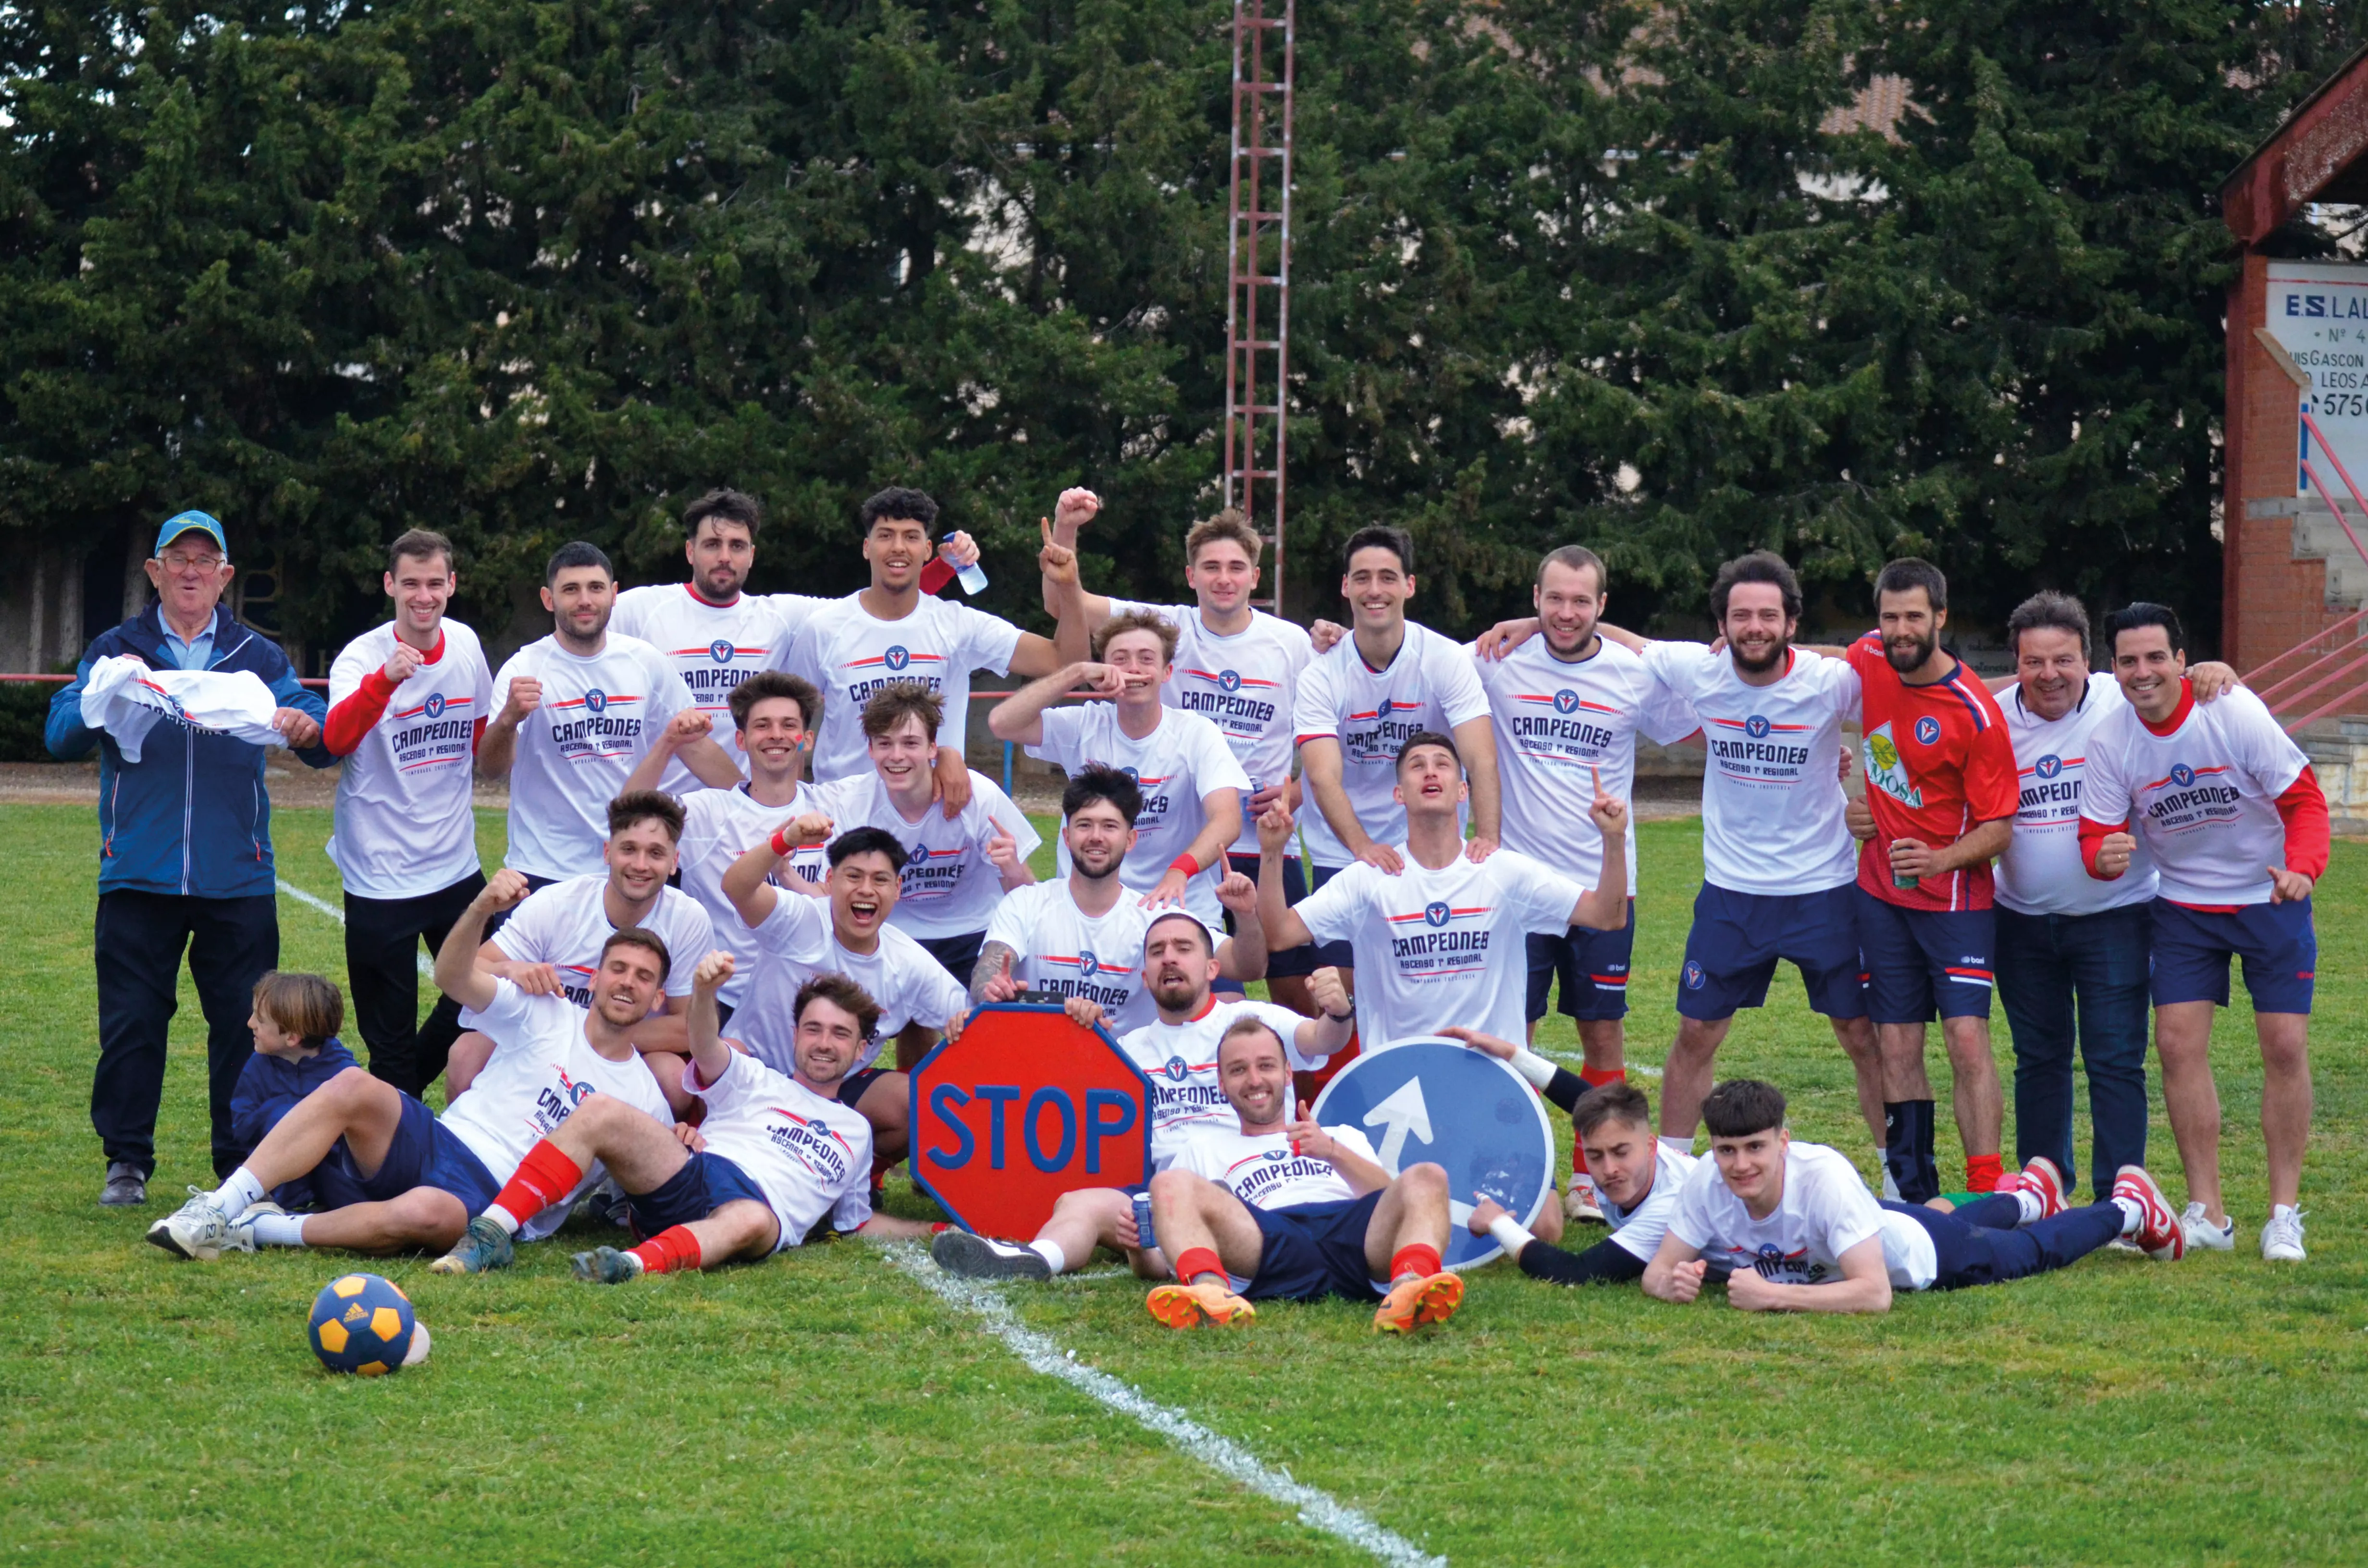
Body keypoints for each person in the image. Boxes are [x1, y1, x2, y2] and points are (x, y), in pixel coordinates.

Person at [143, 871, 671, 1261]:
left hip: (493, 1201)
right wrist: (480, 908)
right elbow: (452, 975)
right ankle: (215, 1208)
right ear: (595, 977)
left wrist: (688, 1138)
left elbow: (659, 1188)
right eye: (617, 969)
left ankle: (255, 1231)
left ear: (657, 997)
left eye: (642, 977)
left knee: (431, 1216)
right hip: (441, 1139)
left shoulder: (644, 1100)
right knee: (354, 1083)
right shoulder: (549, 1010)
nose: (627, 982)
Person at [46, 508, 332, 1205]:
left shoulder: (257, 657)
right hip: (137, 872)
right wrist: (98, 698)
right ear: (156, 572)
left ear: (226, 576)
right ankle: (126, 1162)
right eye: (179, 559)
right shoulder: (118, 649)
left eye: (207, 561)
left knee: (248, 1029)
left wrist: (303, 724)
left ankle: (240, 1163)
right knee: (133, 1025)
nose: (193, 572)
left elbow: (319, 736)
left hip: (237, 875)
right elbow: (60, 735)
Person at [1591, 551, 1884, 1161]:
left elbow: (1917, 704)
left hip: (1822, 890)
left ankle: (1897, 1177)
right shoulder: (1699, 671)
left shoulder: (1831, 682)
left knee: (1861, 1035)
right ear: (1721, 627)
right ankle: (1668, 1175)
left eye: (1767, 615)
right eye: (1740, 616)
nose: (1754, 627)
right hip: (1731, 893)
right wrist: (1518, 628)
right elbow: (1622, 639)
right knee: (1696, 1033)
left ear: (1791, 623)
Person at [2080, 602, 2329, 1262]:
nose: (2143, 672)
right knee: (2176, 1046)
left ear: (2183, 662)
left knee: (2283, 1046)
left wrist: (2302, 869)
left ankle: (2283, 1214)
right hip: (2186, 906)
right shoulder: (2110, 741)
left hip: (2270, 894)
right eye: (2129, 661)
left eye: (2156, 657)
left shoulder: (2232, 711)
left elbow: (2304, 800)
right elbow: (2096, 834)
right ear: (2113, 669)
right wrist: (2099, 857)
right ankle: (2208, 1213)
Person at [432, 955, 935, 1281]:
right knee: (600, 1109)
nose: (824, 1043)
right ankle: (492, 1233)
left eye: (840, 1034)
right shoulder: (754, 1078)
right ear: (795, 1034)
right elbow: (706, 1045)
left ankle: (628, 1267)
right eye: (813, 1029)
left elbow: (856, 1224)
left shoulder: (857, 1133)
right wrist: (701, 993)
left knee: (752, 1218)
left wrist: (935, 1231)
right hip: (689, 1175)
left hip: (756, 1213)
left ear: (865, 1046)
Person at [1469, 544, 1698, 1216]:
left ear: (1602, 605)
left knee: (1603, 1031)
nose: (1566, 613)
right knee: (1520, 1033)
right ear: (1534, 598)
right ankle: (1524, 1170)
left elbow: (1697, 700)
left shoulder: (1631, 672)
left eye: (1581, 601)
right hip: (1517, 888)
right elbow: (1408, 656)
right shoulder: (1495, 661)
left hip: (1603, 885)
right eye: (1554, 599)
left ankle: (1591, 1178)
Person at [1047, 497, 1331, 1014]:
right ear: (1190, 575)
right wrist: (1066, 532)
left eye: (1235, 568)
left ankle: (1296, 1092)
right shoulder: (1163, 626)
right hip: (1185, 839)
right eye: (1211, 567)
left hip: (1261, 836)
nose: (1223, 578)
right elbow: (1064, 603)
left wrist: (1293, 793)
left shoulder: (1291, 643)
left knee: (1292, 985)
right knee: (1185, 980)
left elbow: (1336, 727)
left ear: (1254, 576)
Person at [1640, 1079, 2186, 1313]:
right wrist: (1673, 1284)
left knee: (2028, 1254)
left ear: (1783, 1142)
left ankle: (2129, 1207)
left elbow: (1874, 1294)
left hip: (1924, 1253)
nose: (1739, 1165)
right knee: (1948, 1214)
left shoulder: (1823, 1177)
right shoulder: (1705, 1180)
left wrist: (1774, 1296)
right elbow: (1656, 1272)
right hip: (1874, 1221)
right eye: (1726, 1150)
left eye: (1754, 1148)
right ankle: (2027, 1198)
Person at [611, 486, 985, 805]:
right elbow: (574, 633)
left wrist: (945, 567)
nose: (725, 556)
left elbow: (880, 612)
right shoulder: (641, 609)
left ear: (752, 555)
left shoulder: (781, 616)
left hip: (747, 810)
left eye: (737, 545)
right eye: (712, 544)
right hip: (663, 808)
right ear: (690, 552)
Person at [1255, 732, 1627, 1051]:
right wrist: (1272, 852)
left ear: (1463, 790)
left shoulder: (1503, 872)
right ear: (1399, 794)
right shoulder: (1369, 880)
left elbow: (1607, 915)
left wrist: (1614, 840)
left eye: (1442, 764)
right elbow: (1279, 934)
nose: (1430, 771)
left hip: (1489, 1075)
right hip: (1400, 1080)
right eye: (1417, 765)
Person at [1138, 1016, 1467, 1333]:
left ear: (1287, 1072)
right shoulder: (1203, 1148)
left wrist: (1332, 1151)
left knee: (1428, 1175)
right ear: (1222, 1084)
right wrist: (1137, 1251)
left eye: (1266, 1066)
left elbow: (1393, 1200)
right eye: (1238, 1070)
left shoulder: (1341, 1135)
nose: (1254, 1080)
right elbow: (1180, 1232)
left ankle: (1409, 1289)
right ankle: (1209, 1293)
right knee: (1168, 1182)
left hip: (1354, 1234)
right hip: (1266, 1236)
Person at [319, 528, 493, 1096]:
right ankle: (396, 1137)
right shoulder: (362, 658)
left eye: (435, 583)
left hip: (454, 866)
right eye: (411, 583)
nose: (425, 596)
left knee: (486, 990)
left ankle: (401, 1093)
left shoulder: (465, 644)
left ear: (452, 585)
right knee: (387, 1039)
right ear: (390, 585)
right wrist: (385, 680)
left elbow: (479, 738)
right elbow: (335, 740)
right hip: (378, 877)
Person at [1291, 528, 1501, 995]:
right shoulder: (1320, 675)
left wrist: (1486, 839)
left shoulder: (1443, 658)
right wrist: (1362, 848)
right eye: (1361, 578)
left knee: (1432, 987)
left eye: (1387, 577)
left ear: (1409, 585)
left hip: (1430, 852)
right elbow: (1323, 776)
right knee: (1341, 995)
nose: (1374, 590)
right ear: (1344, 587)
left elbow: (1480, 757)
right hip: (1343, 854)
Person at [479, 540, 741, 884]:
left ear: (614, 594)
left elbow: (695, 747)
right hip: (545, 867)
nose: (585, 600)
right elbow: (492, 768)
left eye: (596, 588)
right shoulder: (524, 668)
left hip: (630, 860)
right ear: (548, 599)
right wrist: (508, 720)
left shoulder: (645, 662)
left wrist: (754, 802)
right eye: (571, 590)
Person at [440, 791, 716, 1112]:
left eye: (656, 853)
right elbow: (471, 968)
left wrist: (594, 1038)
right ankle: (466, 1144)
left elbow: (686, 1028)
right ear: (607, 852)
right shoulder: (557, 903)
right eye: (629, 849)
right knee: (466, 1055)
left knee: (674, 1078)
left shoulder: (688, 919)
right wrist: (510, 969)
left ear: (674, 862)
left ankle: (630, 1158)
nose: (641, 865)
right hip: (542, 1033)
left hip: (628, 1043)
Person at [785, 489, 1085, 782]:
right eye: (886, 535)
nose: (898, 547)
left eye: (911, 537)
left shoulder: (959, 625)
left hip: (934, 814)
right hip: (844, 814)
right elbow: (791, 719)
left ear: (928, 550)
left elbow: (1066, 661)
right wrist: (794, 805)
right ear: (867, 547)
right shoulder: (823, 628)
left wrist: (1070, 587)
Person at [720, 824, 971, 1169]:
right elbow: (736, 887)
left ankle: (857, 1181)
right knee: (720, 1061)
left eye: (880, 880)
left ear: (898, 889)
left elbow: (977, 1024)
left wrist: (965, 1021)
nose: (865, 890)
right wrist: (785, 841)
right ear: (830, 880)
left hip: (835, 1088)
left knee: (917, 1100)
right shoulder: (800, 918)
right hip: (759, 1074)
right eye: (853, 876)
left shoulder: (908, 963)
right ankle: (706, 1151)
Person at [991, 607, 1250, 928]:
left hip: (1180, 909)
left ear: (1167, 672)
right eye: (1121, 659)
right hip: (1093, 914)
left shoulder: (1196, 733)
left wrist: (1180, 870)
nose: (1133, 669)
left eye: (1146, 658)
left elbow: (1227, 819)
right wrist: (1075, 673)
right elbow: (1002, 724)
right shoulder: (1086, 723)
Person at [970, 766, 1266, 1030]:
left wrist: (1246, 915)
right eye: (1084, 825)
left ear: (1130, 840)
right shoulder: (1025, 903)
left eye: (1110, 826)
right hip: (1044, 1069)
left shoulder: (1157, 918)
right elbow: (986, 973)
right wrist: (991, 989)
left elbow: (1248, 968)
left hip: (1128, 1079)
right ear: (1067, 836)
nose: (1096, 837)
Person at [625, 671, 834, 1026]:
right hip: (727, 999)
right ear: (741, 739)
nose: (776, 736)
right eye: (762, 726)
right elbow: (628, 815)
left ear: (808, 739)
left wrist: (950, 758)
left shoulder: (834, 805)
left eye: (788, 725)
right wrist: (669, 742)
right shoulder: (708, 812)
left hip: (814, 1002)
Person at [811, 683, 1041, 985]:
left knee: (985, 1006)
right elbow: (830, 897)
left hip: (975, 930)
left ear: (934, 747)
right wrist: (782, 870)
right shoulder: (853, 804)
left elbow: (1027, 895)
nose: (896, 756)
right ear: (870, 749)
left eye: (910, 743)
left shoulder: (979, 795)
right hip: (893, 933)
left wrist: (1011, 868)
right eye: (884, 744)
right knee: (903, 1026)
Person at [1445, 1028, 1695, 1286]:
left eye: (1620, 1153)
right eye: (1595, 1156)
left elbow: (1575, 1274)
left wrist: (1498, 1223)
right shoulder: (1644, 1152)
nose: (1609, 1169)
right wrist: (1512, 1054)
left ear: (1652, 1147)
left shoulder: (1671, 1207)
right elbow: (1588, 1101)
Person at [1103, 909, 1352, 1167]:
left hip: (1260, 1177)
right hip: (1171, 1193)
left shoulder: (1253, 1020)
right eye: (1157, 952)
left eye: (1183, 949)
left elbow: (1323, 1040)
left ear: (1212, 969)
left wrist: (1338, 1013)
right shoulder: (1127, 1051)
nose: (1168, 959)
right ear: (1145, 978)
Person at [227, 971, 362, 1214]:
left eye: (260, 1019)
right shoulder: (260, 1064)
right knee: (283, 1115)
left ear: (292, 1037)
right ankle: (267, 1201)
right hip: (274, 1173)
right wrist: (282, 1115)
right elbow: (242, 1126)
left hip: (333, 1174)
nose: (250, 1024)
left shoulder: (345, 1075)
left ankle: (327, 1206)